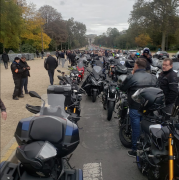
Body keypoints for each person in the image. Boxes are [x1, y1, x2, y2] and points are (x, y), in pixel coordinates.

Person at [120, 58, 157, 157]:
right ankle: (147, 147)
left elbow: (122, 88)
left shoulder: (132, 77)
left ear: (136, 66)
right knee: (147, 128)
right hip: (149, 107)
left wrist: (132, 74)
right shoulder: (153, 77)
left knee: (136, 128)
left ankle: (135, 150)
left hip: (135, 107)